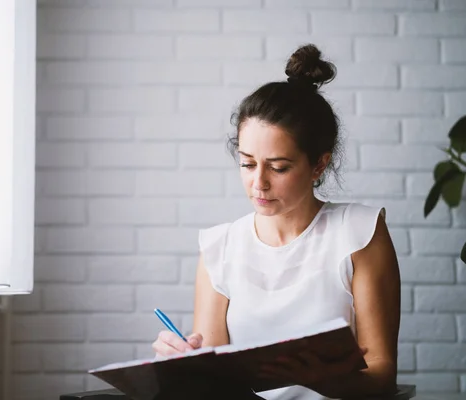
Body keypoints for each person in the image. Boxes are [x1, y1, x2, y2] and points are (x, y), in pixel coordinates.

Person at [152, 44, 401, 400]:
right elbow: (217, 384)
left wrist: (321, 380)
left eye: (279, 167)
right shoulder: (219, 248)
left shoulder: (360, 234)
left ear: (318, 164)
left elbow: (382, 378)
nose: (259, 183)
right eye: (247, 163)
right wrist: (186, 365)